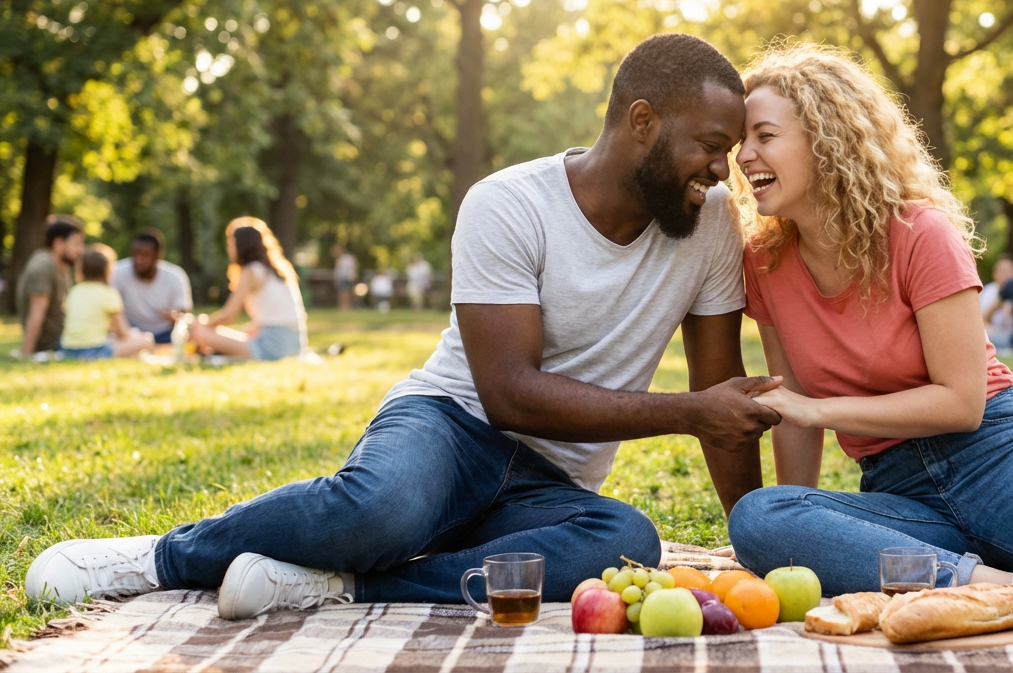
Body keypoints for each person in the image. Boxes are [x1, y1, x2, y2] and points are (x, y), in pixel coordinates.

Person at [26, 33, 782, 623]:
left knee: (625, 541)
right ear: (642, 122)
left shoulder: (710, 226)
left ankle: (344, 587)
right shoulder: (509, 204)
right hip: (451, 424)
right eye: (711, 146)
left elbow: (722, 401)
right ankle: (159, 558)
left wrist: (753, 548)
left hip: (553, 483)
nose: (725, 169)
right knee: (381, 508)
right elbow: (509, 397)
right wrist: (690, 412)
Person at [725, 44, 1013, 615]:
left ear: (828, 140)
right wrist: (796, 515)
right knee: (761, 518)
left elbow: (961, 402)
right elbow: (793, 409)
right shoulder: (766, 262)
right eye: (741, 140)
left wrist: (821, 411)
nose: (744, 154)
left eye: (764, 136)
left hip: (1000, 457)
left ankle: (986, 580)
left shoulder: (918, 233)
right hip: (900, 492)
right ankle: (1008, 588)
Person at [187, 218, 307, 362]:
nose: (230, 250)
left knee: (201, 331)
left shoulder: (251, 271)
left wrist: (200, 325)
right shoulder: (276, 270)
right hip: (296, 344)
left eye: (231, 245)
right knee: (229, 332)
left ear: (240, 247)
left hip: (272, 348)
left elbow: (228, 314)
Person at [60, 246, 156, 360]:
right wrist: (138, 336)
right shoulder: (108, 294)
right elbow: (122, 333)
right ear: (107, 270)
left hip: (67, 350)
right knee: (147, 341)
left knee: (113, 340)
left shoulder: (74, 291)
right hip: (93, 350)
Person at [18, 216, 85, 359]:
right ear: (58, 243)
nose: (81, 250)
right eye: (76, 244)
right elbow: (36, 312)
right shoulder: (44, 266)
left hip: (65, 336)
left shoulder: (59, 264)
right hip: (53, 343)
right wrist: (27, 352)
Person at [111, 228, 193, 344]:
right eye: (136, 254)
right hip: (131, 333)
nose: (138, 260)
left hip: (166, 333)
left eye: (145, 256)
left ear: (157, 256)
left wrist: (174, 315)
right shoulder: (116, 272)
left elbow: (183, 312)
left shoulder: (175, 276)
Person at [978, 255, 1013, 350]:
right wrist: (996, 306)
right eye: (1002, 271)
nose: (1006, 275)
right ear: (995, 274)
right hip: (993, 334)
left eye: (1010, 271)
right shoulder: (988, 292)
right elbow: (981, 321)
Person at [332, 244, 358, 311]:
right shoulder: (341, 259)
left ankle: (346, 307)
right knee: (343, 292)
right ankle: (343, 307)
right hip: (343, 278)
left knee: (345, 292)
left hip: (346, 278)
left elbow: (351, 268)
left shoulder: (345, 259)